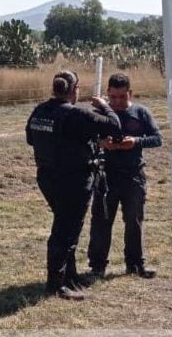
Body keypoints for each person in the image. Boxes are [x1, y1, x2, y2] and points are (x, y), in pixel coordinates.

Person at [26, 70, 123, 300]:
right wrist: (104, 106)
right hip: (73, 180)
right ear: (73, 90)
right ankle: (55, 284)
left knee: (64, 225)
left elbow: (31, 138)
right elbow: (114, 125)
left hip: (47, 178)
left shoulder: (40, 111)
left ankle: (69, 276)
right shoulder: (76, 115)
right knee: (65, 232)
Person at [87, 73, 163, 279]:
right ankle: (97, 266)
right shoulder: (100, 114)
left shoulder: (141, 112)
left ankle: (135, 264)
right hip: (106, 176)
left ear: (130, 93)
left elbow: (157, 139)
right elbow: (87, 138)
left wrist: (135, 142)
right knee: (101, 221)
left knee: (134, 221)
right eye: (113, 97)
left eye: (121, 97)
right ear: (108, 94)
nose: (117, 102)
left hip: (133, 176)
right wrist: (102, 143)